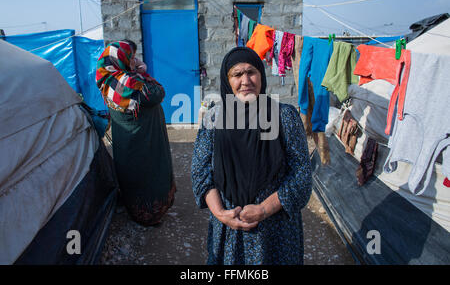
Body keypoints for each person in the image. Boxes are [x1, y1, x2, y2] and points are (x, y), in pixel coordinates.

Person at [191, 47, 312, 264]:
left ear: (261, 76)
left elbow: (301, 173)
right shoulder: (213, 118)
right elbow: (201, 172)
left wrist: (264, 209)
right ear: (227, 81)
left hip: (276, 231)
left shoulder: (284, 116)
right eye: (237, 74)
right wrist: (220, 214)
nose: (245, 80)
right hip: (229, 229)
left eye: (251, 72)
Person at [96, 40, 176, 226]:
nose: (134, 60)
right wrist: (142, 70)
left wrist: (137, 70)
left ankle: (139, 210)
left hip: (132, 142)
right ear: (120, 58)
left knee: (134, 174)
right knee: (148, 176)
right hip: (142, 142)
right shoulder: (125, 82)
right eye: (130, 57)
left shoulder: (110, 79)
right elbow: (156, 93)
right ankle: (147, 216)